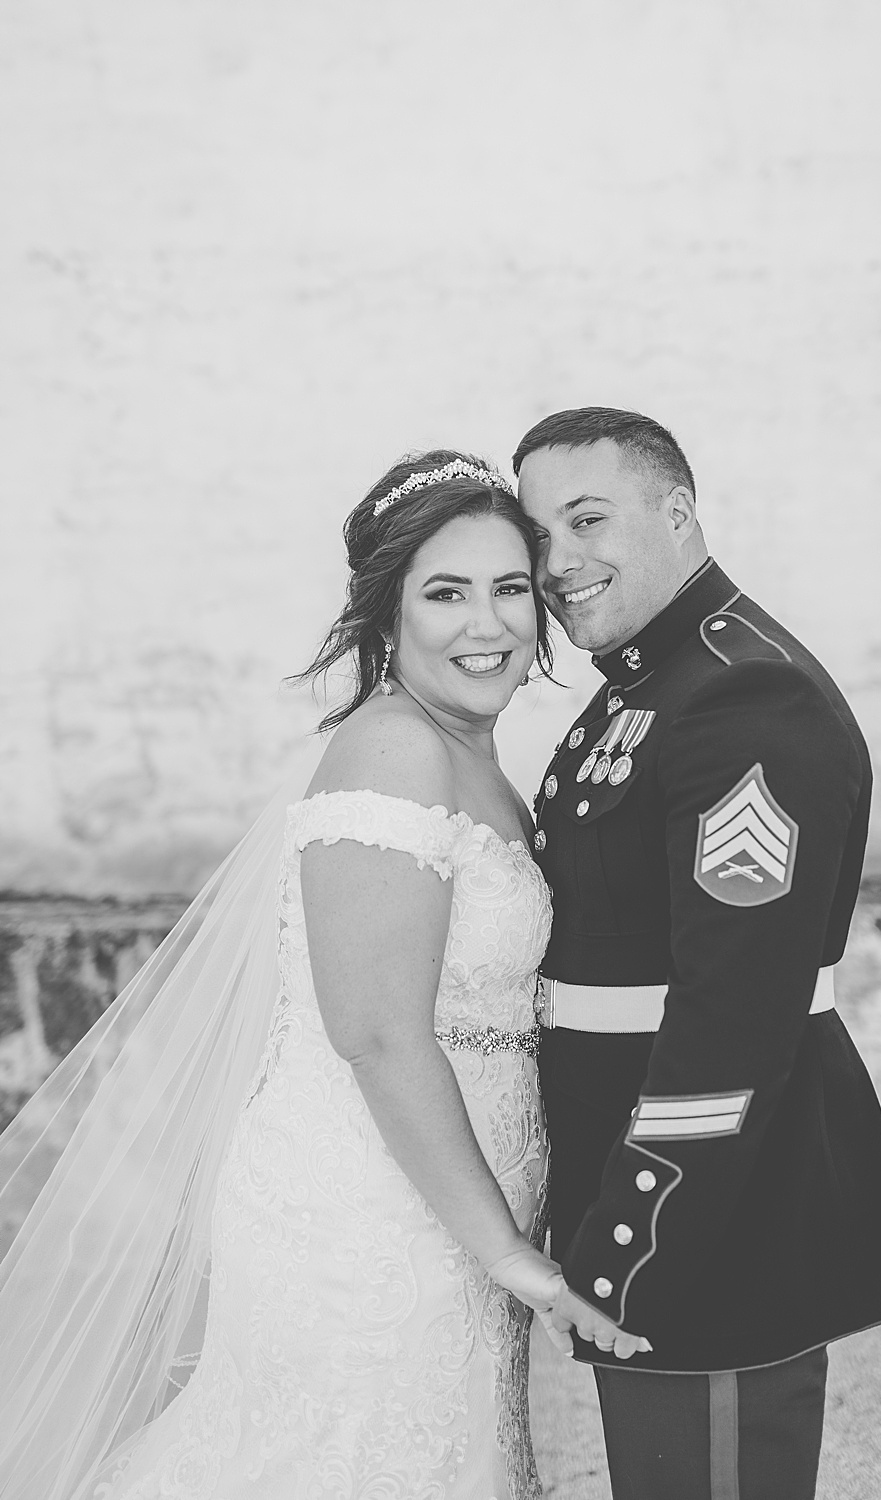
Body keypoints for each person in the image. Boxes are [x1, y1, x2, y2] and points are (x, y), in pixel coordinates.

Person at [0, 452, 643, 1500]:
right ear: (387, 614)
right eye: (446, 594)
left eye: (509, 588)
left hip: (453, 1203)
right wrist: (508, 1253)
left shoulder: (470, 754)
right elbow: (377, 1032)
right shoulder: (395, 753)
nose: (487, 624)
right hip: (367, 1217)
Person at [515, 407, 881, 1500]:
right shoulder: (649, 685)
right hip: (648, 1163)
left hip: (717, 1204)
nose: (558, 563)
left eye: (588, 520)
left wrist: (633, 1233)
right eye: (540, 534)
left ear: (678, 512)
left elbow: (734, 1010)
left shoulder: (745, 695)